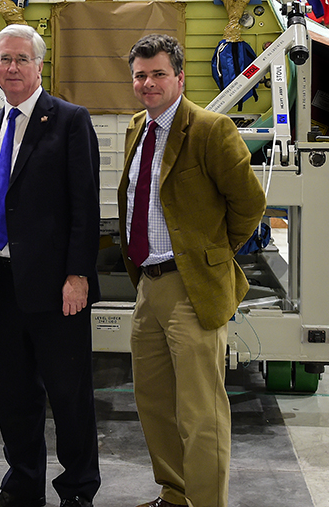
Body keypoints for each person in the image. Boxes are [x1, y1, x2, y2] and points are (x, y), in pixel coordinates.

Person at [117, 34, 266, 507]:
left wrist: (211, 255)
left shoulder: (210, 128)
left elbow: (248, 204)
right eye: (140, 75)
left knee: (201, 412)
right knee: (154, 402)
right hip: (148, 285)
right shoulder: (136, 128)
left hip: (190, 288)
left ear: (179, 77)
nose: (148, 83)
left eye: (158, 73)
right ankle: (175, 494)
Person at [0, 23, 101, 507]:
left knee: (69, 396)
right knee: (14, 396)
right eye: (4, 59)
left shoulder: (68, 120)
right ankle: (22, 485)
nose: (12, 67)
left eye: (22, 59)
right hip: (0, 284)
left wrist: (78, 274)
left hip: (56, 286)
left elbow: (85, 204)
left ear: (40, 66)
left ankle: (78, 490)